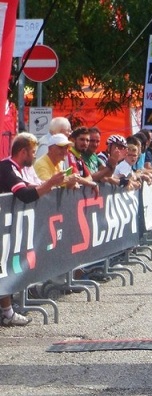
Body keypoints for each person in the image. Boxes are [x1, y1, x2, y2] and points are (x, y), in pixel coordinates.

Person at [0, 133, 65, 326]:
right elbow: (26, 195)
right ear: (23, 152)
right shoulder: (6, 167)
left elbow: (32, 186)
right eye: (34, 153)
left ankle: (7, 312)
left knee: (4, 266)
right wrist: (51, 183)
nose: (35, 157)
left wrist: (51, 183)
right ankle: (7, 312)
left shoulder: (18, 169)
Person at [66, 127, 100, 194]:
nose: (85, 143)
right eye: (82, 139)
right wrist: (90, 183)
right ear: (73, 140)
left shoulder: (79, 156)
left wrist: (83, 182)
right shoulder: (69, 154)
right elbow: (76, 177)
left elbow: (90, 177)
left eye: (87, 140)